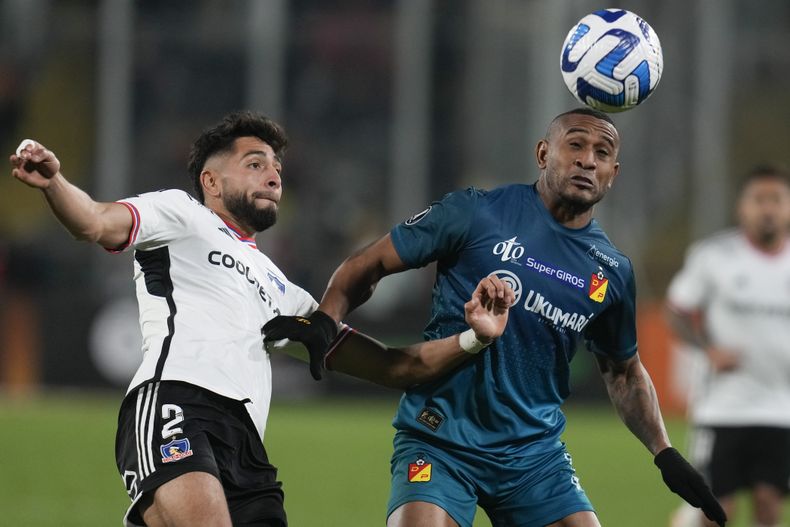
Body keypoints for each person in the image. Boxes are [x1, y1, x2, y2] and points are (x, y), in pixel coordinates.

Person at [8, 111, 516, 527]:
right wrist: (55, 184)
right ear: (211, 180)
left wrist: (474, 339)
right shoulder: (181, 215)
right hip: (176, 399)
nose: (274, 175)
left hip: (246, 442)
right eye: (255, 163)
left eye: (276, 166)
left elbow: (393, 368)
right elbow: (95, 221)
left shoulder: (281, 290)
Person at [262, 107, 728, 527]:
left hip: (533, 455)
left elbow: (623, 373)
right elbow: (370, 264)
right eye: (576, 145)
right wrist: (327, 317)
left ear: (614, 172)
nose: (588, 160)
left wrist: (664, 453)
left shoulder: (612, 272)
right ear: (543, 153)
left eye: (602, 152)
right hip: (439, 437)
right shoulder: (475, 212)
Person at [666, 165, 790, 527]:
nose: (767, 208)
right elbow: (677, 310)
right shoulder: (714, 256)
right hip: (723, 407)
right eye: (758, 200)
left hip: (781, 408)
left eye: (777, 200)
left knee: (769, 505)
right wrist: (708, 350)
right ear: (742, 208)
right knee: (717, 510)